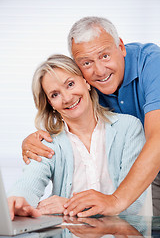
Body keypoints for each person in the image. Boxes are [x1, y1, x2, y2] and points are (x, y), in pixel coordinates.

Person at [21, 16, 160, 216]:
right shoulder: (86, 88)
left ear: (120, 47)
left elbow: (157, 139)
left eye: (105, 56)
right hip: (147, 168)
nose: (99, 71)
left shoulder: (153, 63)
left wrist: (115, 200)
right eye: (86, 63)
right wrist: (30, 142)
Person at [8, 54, 147, 220]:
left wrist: (68, 205)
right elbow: (28, 184)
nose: (67, 98)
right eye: (55, 95)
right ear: (50, 104)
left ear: (86, 82)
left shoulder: (129, 128)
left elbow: (133, 201)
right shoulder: (49, 143)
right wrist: (16, 200)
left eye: (70, 84)